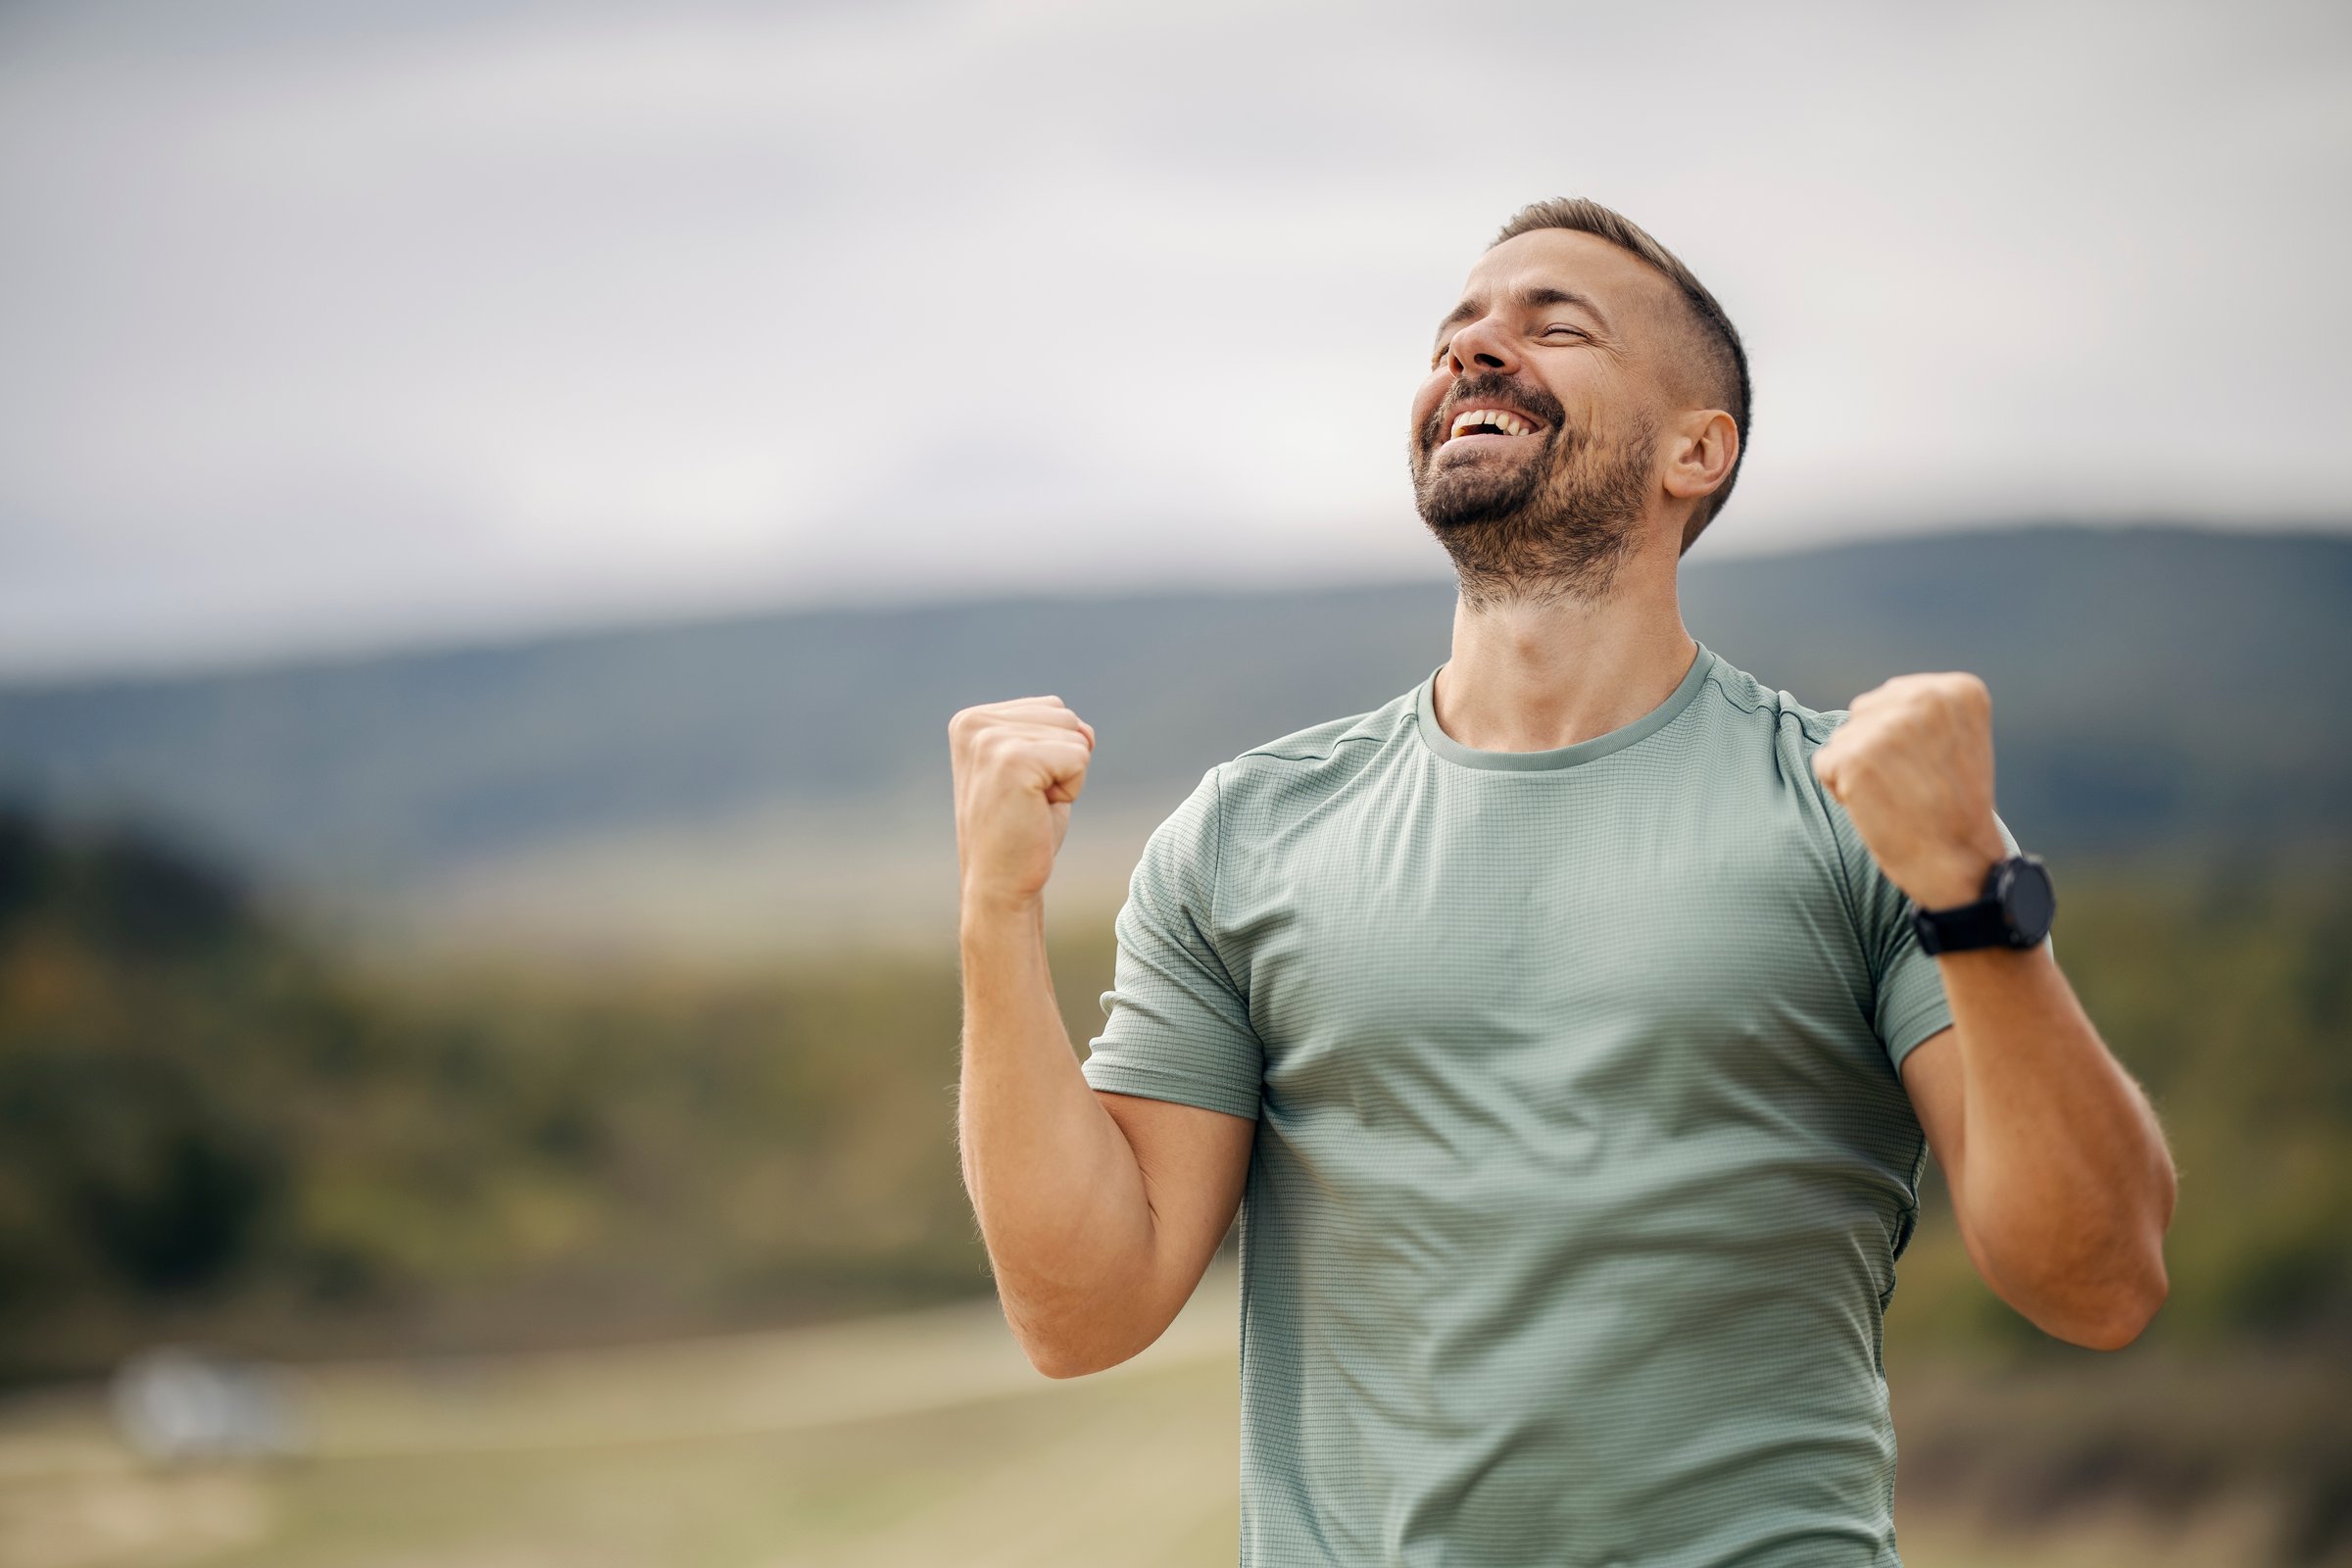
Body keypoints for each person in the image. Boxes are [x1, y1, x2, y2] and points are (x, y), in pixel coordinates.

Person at [946, 197, 2177, 1567]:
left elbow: (2102, 1284)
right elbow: (1082, 1317)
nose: (1475, 352)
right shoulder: (1246, 835)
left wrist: (1970, 879)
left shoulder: (1870, 815)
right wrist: (995, 915)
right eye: (1454, 333)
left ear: (1695, 450)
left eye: (1553, 325)